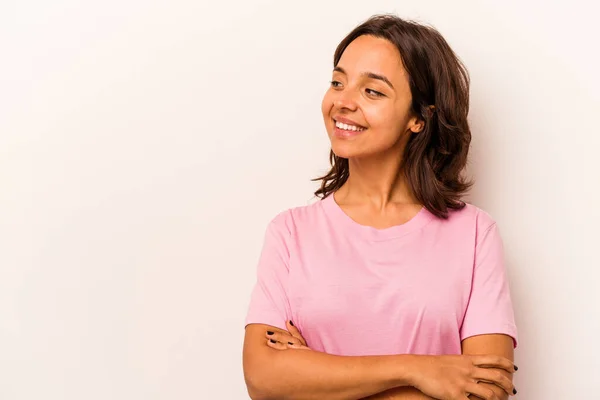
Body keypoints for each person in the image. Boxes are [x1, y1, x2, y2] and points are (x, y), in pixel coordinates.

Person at [242, 14, 518, 400]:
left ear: (419, 118)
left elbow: (485, 390)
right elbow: (263, 378)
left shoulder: (474, 235)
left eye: (372, 91)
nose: (343, 101)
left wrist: (314, 375)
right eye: (338, 82)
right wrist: (420, 370)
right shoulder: (290, 232)